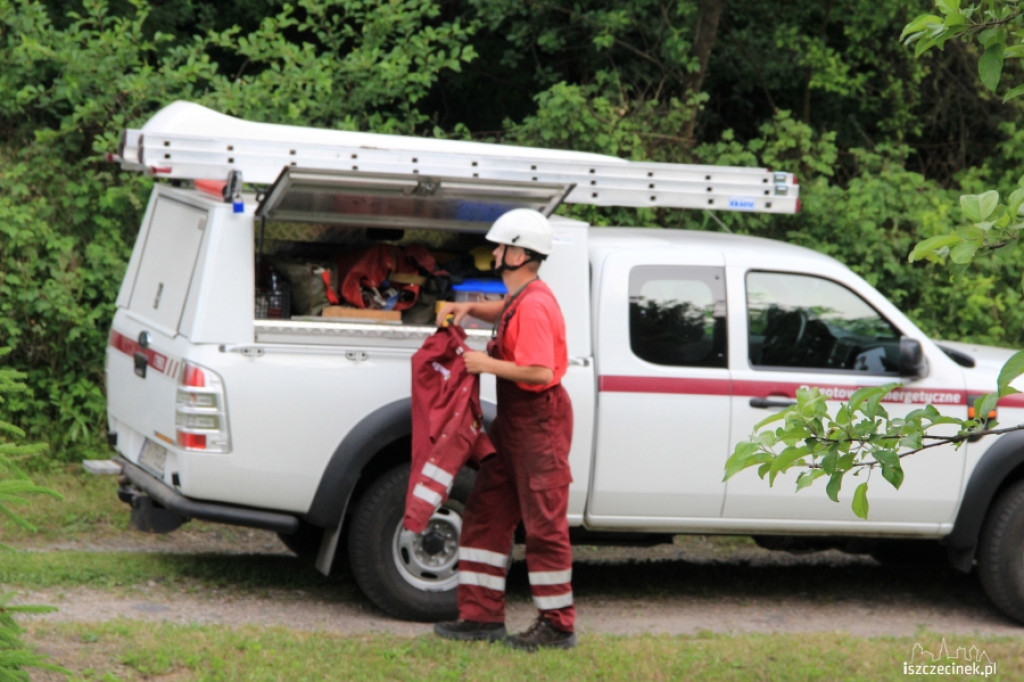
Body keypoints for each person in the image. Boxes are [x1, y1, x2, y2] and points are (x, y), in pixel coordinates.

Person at [433, 208, 576, 651]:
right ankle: (481, 617)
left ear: (518, 254)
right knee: (487, 512)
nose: (494, 253)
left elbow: (537, 371)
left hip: (539, 425)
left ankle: (558, 626)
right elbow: (505, 311)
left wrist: (484, 364)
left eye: (500, 247)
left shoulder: (534, 304)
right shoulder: (523, 296)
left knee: (544, 526)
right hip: (516, 427)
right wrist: (470, 307)